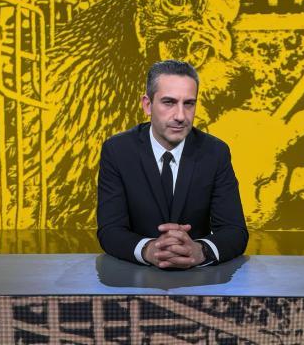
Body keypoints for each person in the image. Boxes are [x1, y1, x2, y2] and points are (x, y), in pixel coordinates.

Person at [97, 60, 248, 268]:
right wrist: (148, 249)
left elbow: (235, 231)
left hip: (200, 280)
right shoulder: (117, 151)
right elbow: (110, 230)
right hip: (134, 278)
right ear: (147, 105)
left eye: (189, 104)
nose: (180, 116)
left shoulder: (215, 152)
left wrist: (200, 251)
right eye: (169, 102)